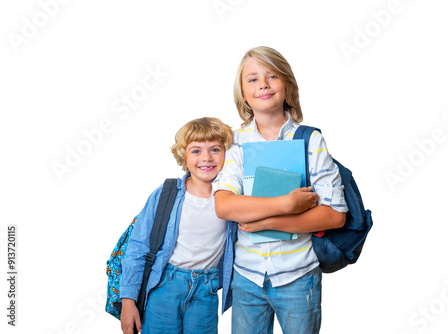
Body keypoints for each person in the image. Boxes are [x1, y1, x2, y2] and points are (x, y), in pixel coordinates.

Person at [213, 46, 348, 334]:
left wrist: (266, 220)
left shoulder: (310, 140)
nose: (262, 84)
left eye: (272, 76)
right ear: (243, 94)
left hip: (298, 277)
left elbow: (335, 215)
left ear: (287, 85)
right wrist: (286, 204)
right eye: (252, 79)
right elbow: (224, 205)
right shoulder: (235, 143)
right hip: (246, 277)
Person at [120, 117, 235, 334]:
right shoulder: (166, 194)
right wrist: (128, 301)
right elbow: (137, 247)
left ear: (227, 154)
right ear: (184, 158)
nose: (206, 158)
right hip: (165, 286)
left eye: (215, 149)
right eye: (196, 151)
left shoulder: (232, 200)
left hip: (206, 290)